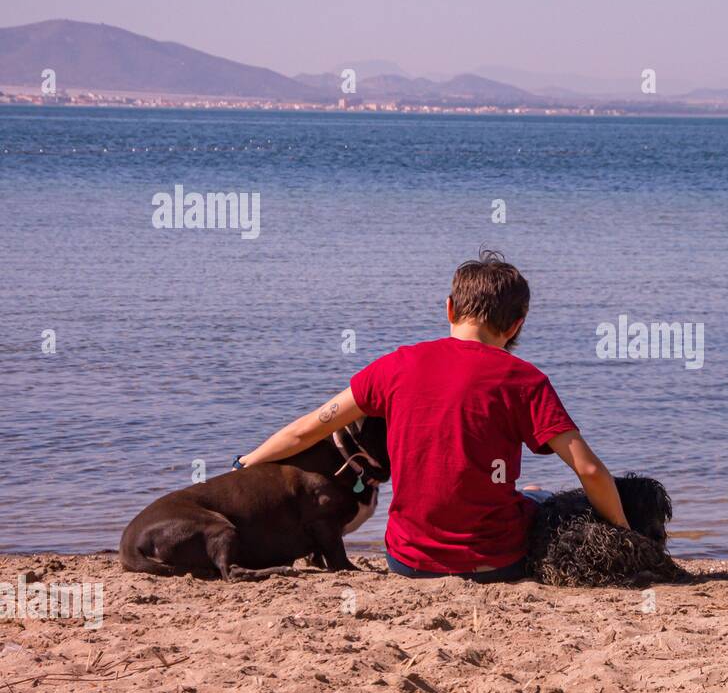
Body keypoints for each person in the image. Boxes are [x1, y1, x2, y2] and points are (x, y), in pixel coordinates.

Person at [236, 249, 628, 581]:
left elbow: (310, 428)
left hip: (407, 561)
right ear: (517, 324)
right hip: (497, 563)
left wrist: (248, 461)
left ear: (450, 308)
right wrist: (625, 536)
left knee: (523, 494)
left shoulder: (397, 366)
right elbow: (590, 471)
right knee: (537, 495)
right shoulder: (525, 380)